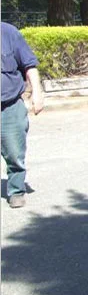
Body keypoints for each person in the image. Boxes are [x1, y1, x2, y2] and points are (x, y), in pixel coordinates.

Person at [2, 22, 44, 208]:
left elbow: (29, 65)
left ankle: (16, 190)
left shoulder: (8, 32)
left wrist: (37, 92)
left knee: (14, 152)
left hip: (9, 105)